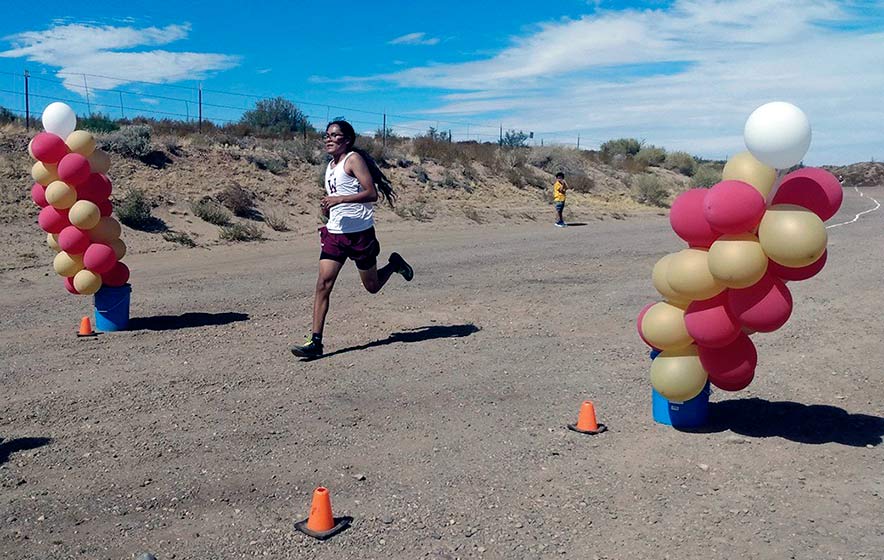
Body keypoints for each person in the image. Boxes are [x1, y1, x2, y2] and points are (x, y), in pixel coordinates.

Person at [291, 120, 413, 359]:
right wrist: (329, 209)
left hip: (360, 235)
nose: (328, 139)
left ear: (346, 140)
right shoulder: (330, 166)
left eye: (334, 135)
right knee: (323, 285)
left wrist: (339, 200)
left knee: (372, 286)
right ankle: (315, 342)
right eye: (326, 135)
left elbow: (371, 193)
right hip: (335, 234)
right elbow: (338, 196)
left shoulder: (353, 159)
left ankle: (395, 265)